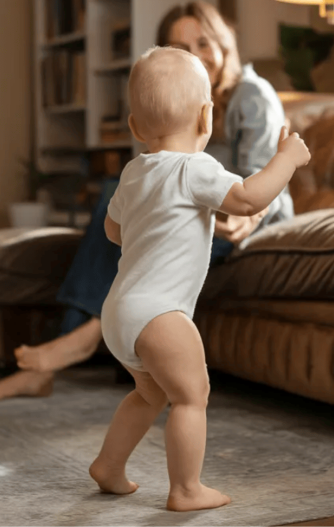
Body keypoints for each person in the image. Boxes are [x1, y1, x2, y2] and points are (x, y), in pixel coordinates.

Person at [0, 0, 293, 402]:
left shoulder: (251, 95)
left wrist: (248, 216)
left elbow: (259, 181)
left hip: (246, 212)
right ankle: (64, 350)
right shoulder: (180, 101)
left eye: (204, 42)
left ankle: (76, 344)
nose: (195, 54)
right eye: (180, 46)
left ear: (224, 43)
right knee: (112, 199)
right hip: (195, 205)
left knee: (166, 217)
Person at [87, 46, 309, 512]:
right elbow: (248, 199)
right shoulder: (196, 169)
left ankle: (109, 465)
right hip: (160, 313)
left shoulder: (132, 173)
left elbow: (113, 231)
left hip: (119, 311)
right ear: (208, 117)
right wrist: (286, 159)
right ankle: (186, 489)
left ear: (133, 128)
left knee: (148, 393)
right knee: (192, 395)